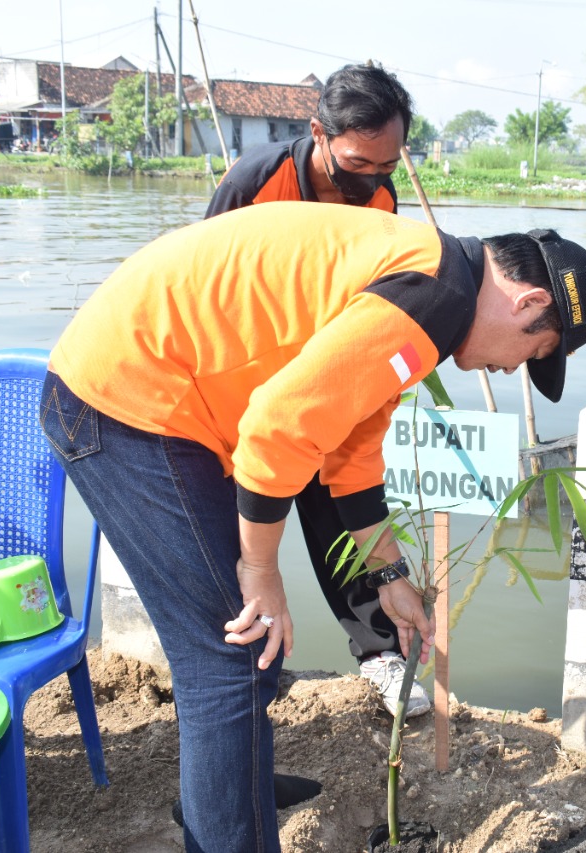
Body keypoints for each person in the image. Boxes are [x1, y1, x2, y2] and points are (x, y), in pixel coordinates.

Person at [40, 201, 586, 852]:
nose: (512, 369)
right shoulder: (434, 295)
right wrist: (261, 569)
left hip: (157, 386)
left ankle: (231, 791)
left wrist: (390, 575)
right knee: (232, 654)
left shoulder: (435, 279)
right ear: (529, 301)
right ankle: (229, 820)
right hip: (130, 397)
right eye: (535, 351)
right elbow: (278, 429)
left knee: (245, 653)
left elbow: (352, 450)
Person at [205, 62, 431, 720]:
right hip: (245, 383)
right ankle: (245, 667)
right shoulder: (255, 183)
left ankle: (380, 651)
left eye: (386, 166)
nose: (372, 181)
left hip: (322, 373)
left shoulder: (381, 200)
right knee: (238, 534)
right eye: (358, 164)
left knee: (341, 499)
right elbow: (202, 280)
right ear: (318, 134)